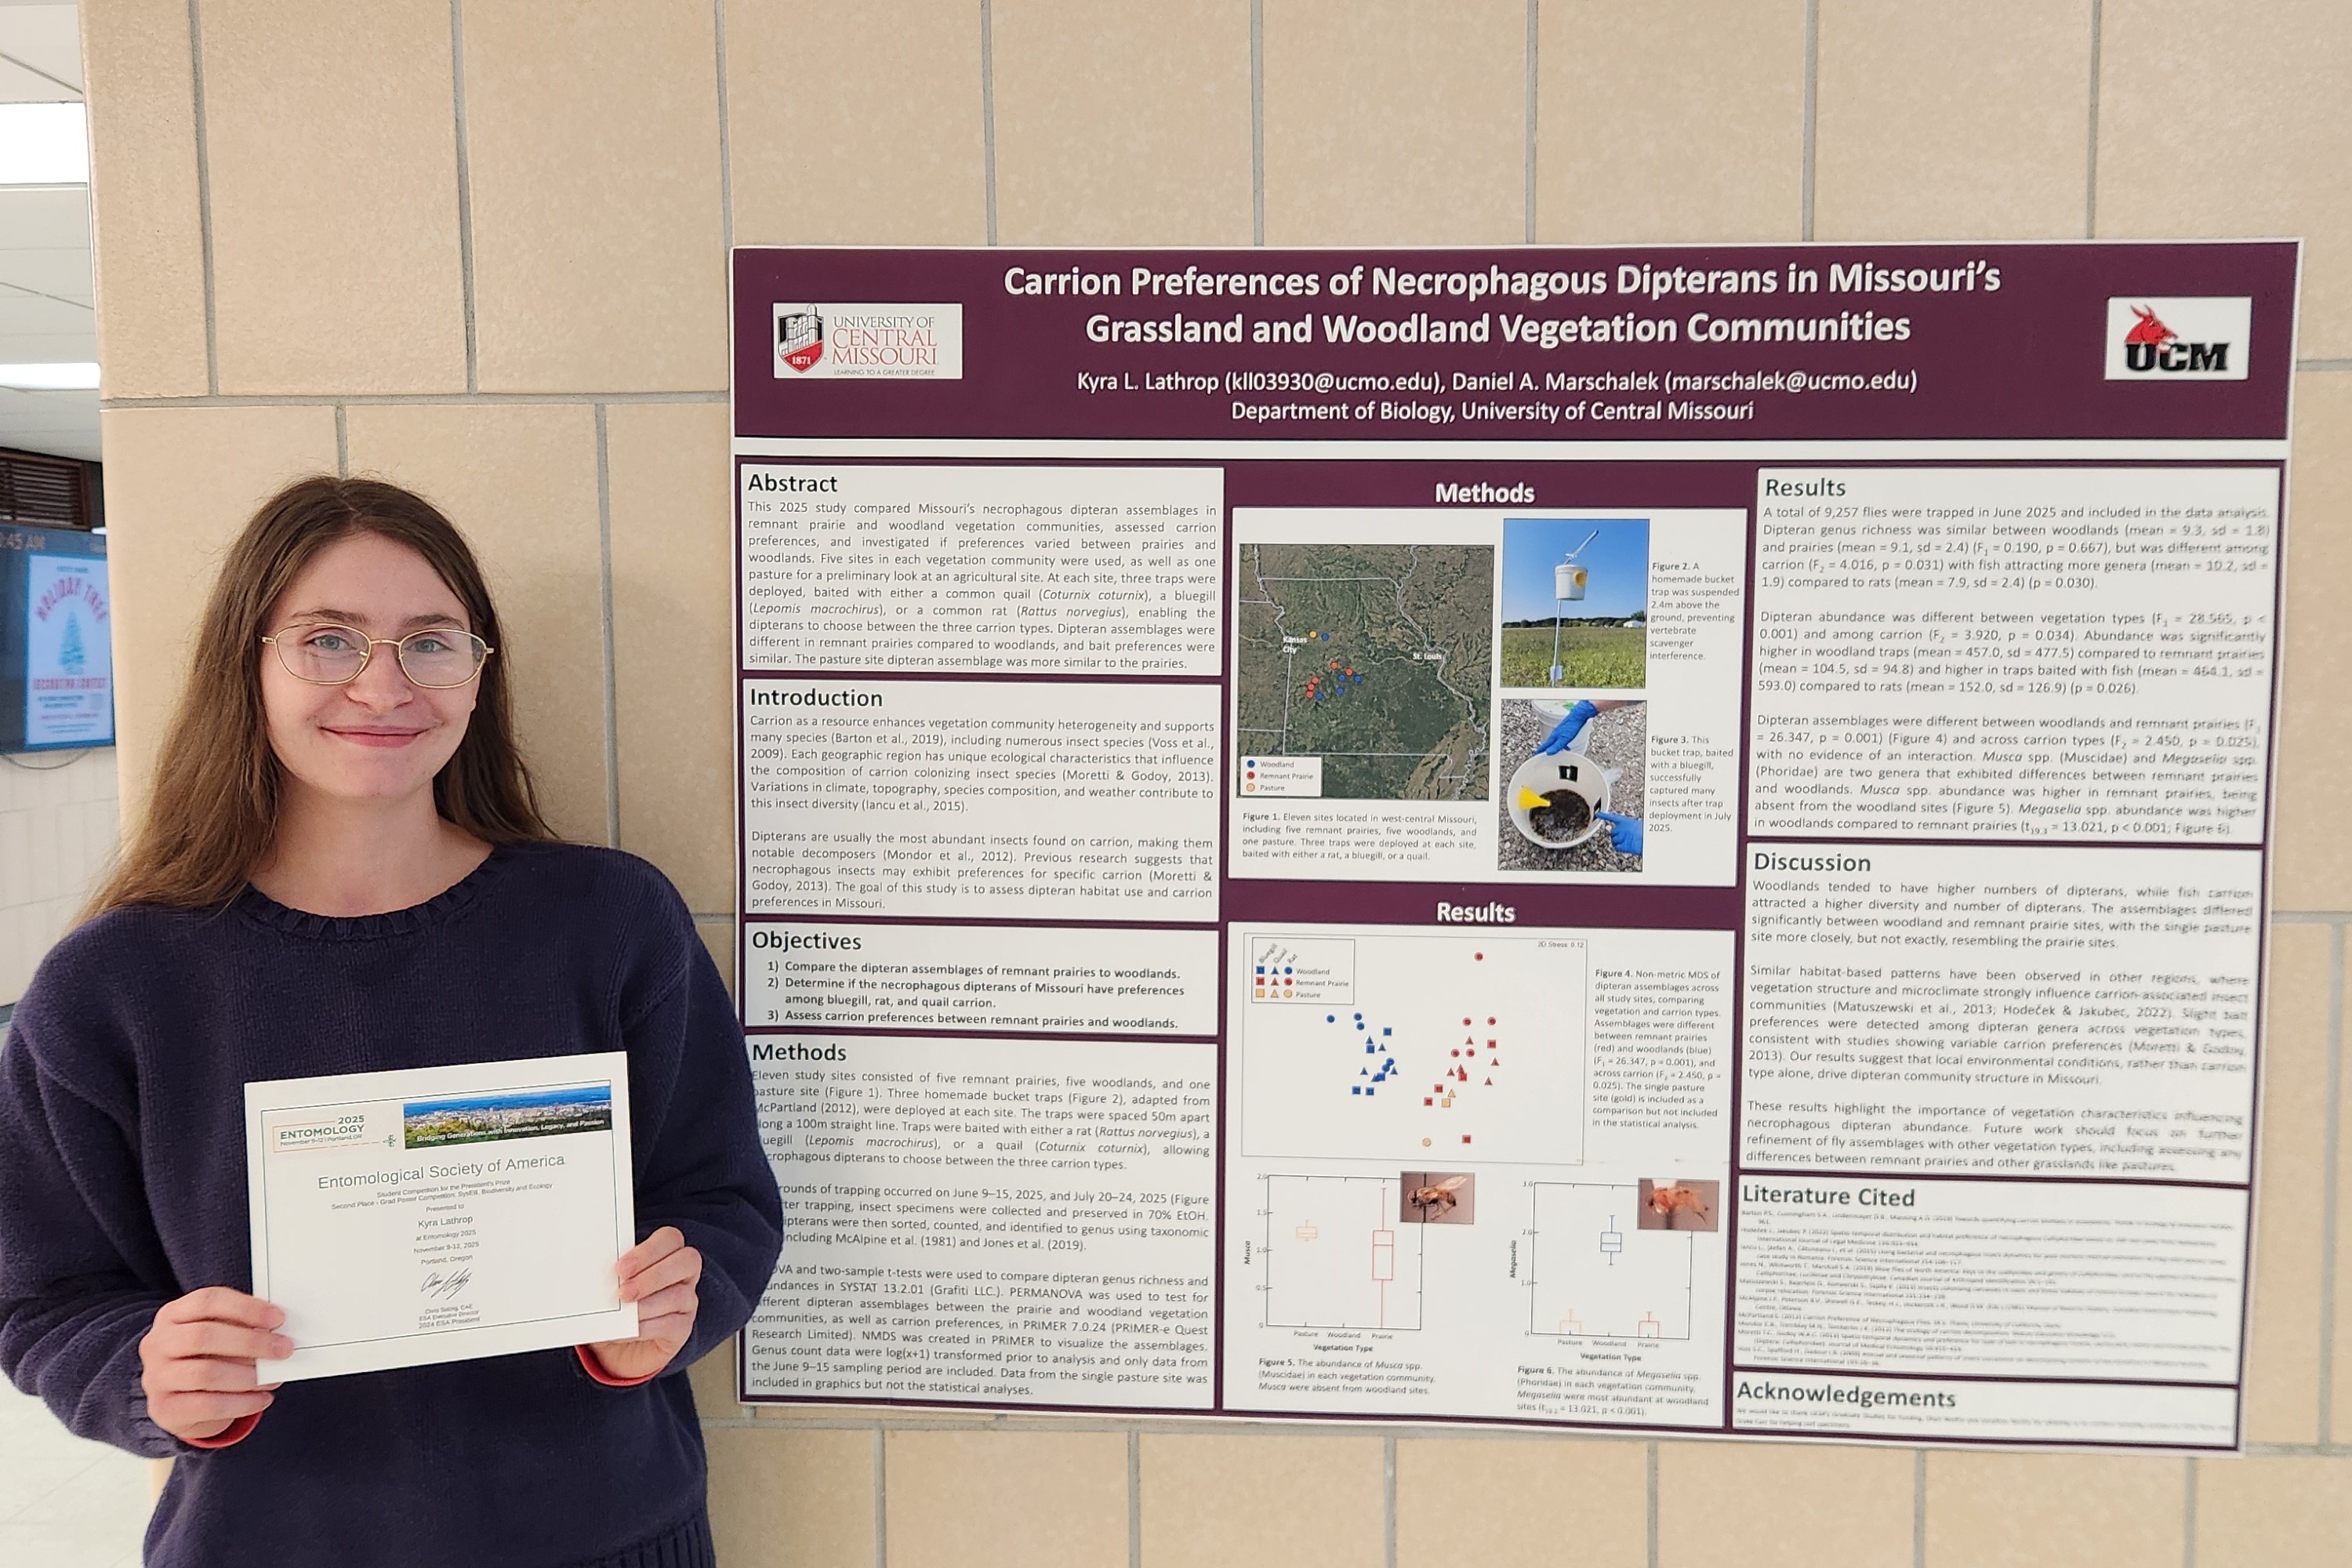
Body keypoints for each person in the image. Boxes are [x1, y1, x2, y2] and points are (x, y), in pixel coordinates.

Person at [0, 477, 782, 1566]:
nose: (383, 686)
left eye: (430, 642)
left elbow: (722, 1197)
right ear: (246, 665)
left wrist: (671, 1308)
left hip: (608, 1533)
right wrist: (148, 1371)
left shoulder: (608, 921)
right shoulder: (116, 982)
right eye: (328, 640)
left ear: (478, 671)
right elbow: (42, 1298)